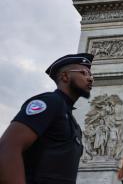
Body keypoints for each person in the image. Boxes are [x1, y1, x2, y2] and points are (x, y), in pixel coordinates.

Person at [0, 53, 94, 184]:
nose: (90, 78)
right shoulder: (49, 102)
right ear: (65, 76)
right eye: (83, 73)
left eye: (90, 75)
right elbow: (8, 146)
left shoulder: (73, 122)